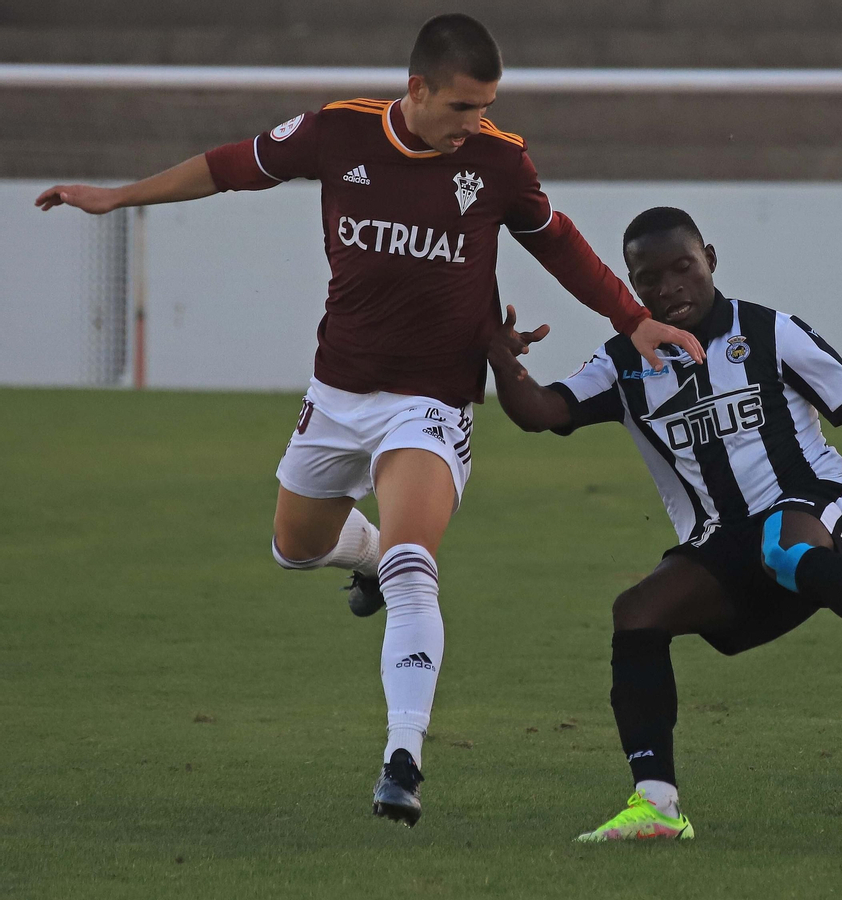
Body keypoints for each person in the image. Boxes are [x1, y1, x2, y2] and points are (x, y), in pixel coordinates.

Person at [33, 14, 703, 828]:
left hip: (432, 400)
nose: (475, 123)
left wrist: (633, 320)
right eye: (462, 107)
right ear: (417, 88)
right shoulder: (337, 133)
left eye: (487, 106)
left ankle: (403, 757)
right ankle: (371, 559)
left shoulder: (498, 160)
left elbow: (556, 241)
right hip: (338, 393)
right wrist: (118, 197)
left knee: (416, 562)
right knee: (294, 547)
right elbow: (228, 167)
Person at [489, 206, 842, 841]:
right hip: (728, 544)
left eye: (683, 267)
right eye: (649, 279)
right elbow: (541, 411)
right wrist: (503, 360)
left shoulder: (771, 332)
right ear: (631, 286)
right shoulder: (624, 363)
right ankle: (658, 806)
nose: (670, 287)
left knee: (782, 544)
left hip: (825, 507)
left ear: (710, 259)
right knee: (636, 612)